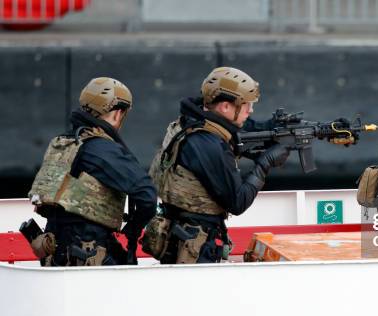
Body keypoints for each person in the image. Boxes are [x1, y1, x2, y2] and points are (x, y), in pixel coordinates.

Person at [147, 67, 290, 264]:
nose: (251, 110)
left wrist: (275, 127)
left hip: (180, 234)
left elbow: (243, 127)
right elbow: (238, 202)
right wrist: (264, 164)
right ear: (225, 107)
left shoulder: (191, 122)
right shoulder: (209, 145)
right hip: (196, 249)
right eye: (246, 104)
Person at [28, 77, 158, 266]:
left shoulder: (64, 143)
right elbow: (146, 194)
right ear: (117, 113)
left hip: (55, 250)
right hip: (87, 254)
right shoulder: (102, 148)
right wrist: (133, 229)